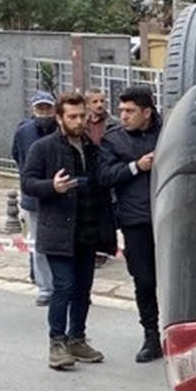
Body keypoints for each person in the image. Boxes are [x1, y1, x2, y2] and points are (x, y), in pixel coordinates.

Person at [21, 90, 117, 370]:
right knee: (63, 287)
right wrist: (52, 186)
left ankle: (77, 338)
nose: (78, 121)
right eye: (72, 116)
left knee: (83, 289)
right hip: (58, 231)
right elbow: (27, 182)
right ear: (60, 118)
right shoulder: (44, 148)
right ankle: (57, 343)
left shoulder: (91, 147)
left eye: (81, 116)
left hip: (87, 230)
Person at [97, 85, 162, 363]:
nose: (123, 115)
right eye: (121, 110)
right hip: (136, 220)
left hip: (169, 217)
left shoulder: (168, 133)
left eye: (130, 111)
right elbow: (104, 175)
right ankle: (151, 336)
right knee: (144, 280)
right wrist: (137, 166)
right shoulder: (114, 140)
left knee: (176, 280)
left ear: (147, 111)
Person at [11, 91, 58, 307]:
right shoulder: (23, 132)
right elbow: (17, 157)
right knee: (38, 245)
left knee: (60, 244)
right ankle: (45, 288)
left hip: (59, 195)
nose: (44, 113)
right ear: (33, 110)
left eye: (48, 108)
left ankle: (63, 286)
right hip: (33, 197)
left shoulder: (61, 129)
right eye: (40, 109)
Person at [84, 87, 118, 268]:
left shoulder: (114, 124)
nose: (99, 105)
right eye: (95, 101)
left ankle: (105, 249)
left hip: (107, 173)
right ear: (88, 104)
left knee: (107, 214)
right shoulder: (82, 124)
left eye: (102, 101)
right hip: (89, 174)